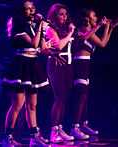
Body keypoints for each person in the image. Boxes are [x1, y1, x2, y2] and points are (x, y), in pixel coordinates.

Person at [2, 0, 51, 146]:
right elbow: (34, 43)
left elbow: (41, 47)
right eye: (27, 9)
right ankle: (8, 138)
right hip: (20, 66)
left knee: (32, 105)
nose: (31, 11)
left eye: (32, 8)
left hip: (33, 65)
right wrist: (41, 25)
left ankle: (34, 137)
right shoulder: (18, 27)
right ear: (21, 11)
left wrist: (44, 35)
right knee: (17, 104)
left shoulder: (32, 26)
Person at [70, 8, 118, 139]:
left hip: (86, 63)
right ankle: (75, 127)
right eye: (94, 16)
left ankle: (82, 124)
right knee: (81, 96)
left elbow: (103, 43)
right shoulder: (84, 29)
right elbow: (86, 38)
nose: (96, 17)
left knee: (84, 97)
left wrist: (110, 27)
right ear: (87, 18)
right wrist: (100, 26)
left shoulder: (91, 30)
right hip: (80, 63)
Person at [45, 3, 76, 143]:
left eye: (65, 14)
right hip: (56, 65)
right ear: (54, 15)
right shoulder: (50, 28)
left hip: (67, 65)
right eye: (61, 14)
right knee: (59, 97)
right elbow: (58, 45)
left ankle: (59, 128)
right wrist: (70, 34)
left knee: (64, 97)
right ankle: (53, 131)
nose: (64, 17)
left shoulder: (63, 28)